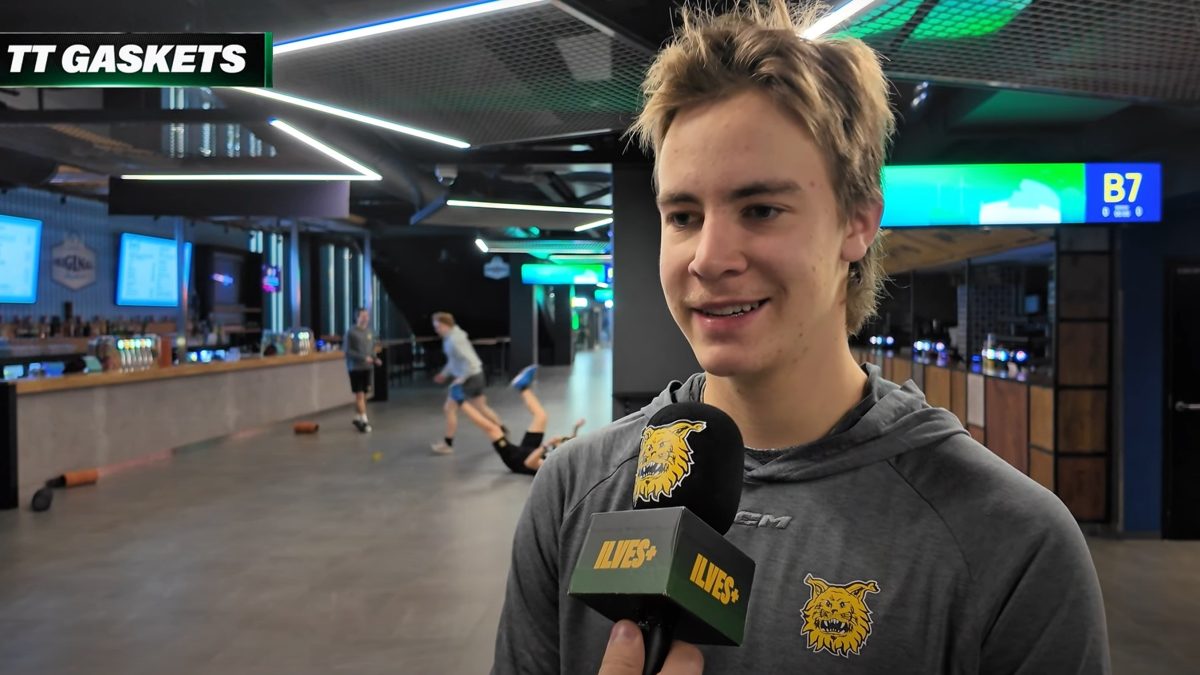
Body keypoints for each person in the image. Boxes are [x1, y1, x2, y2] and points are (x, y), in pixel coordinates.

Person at [493, 2, 1110, 674]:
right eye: (684, 215)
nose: (708, 258)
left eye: (760, 209)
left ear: (858, 222)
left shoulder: (1012, 544)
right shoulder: (573, 492)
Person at [457, 364, 586, 474]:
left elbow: (529, 463)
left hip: (516, 459)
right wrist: (576, 428)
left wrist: (547, 445)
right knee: (541, 416)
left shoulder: (552, 467)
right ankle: (522, 386)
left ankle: (459, 401)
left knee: (493, 429)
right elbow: (571, 442)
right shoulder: (564, 458)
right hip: (530, 449)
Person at [430, 311, 506, 454]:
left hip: (471, 377)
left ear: (446, 325)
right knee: (481, 407)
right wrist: (444, 374)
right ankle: (502, 430)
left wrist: (461, 378)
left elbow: (469, 362)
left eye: (438, 326)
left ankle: (448, 444)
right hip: (477, 375)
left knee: (449, 408)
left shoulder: (455, 340)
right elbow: (453, 361)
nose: (436, 330)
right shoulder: (451, 337)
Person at [344, 307, 380, 433]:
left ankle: (358, 416)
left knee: (363, 394)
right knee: (359, 394)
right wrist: (363, 358)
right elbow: (348, 351)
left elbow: (372, 348)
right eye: (363, 316)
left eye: (367, 316)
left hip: (367, 367)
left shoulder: (370, 332)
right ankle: (364, 420)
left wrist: (375, 358)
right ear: (357, 317)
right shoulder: (351, 332)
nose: (365, 318)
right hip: (355, 368)